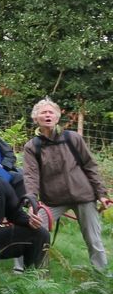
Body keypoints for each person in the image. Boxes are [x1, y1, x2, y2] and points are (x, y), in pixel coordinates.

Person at [22, 98, 108, 270]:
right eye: (43, 112)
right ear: (36, 118)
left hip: (83, 196)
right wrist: (31, 202)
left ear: (57, 116)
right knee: (32, 228)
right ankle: (34, 273)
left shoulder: (73, 138)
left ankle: (102, 275)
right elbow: (31, 176)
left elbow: (90, 166)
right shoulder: (32, 146)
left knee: (93, 238)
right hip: (53, 200)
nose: (47, 115)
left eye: (50, 112)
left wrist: (102, 194)